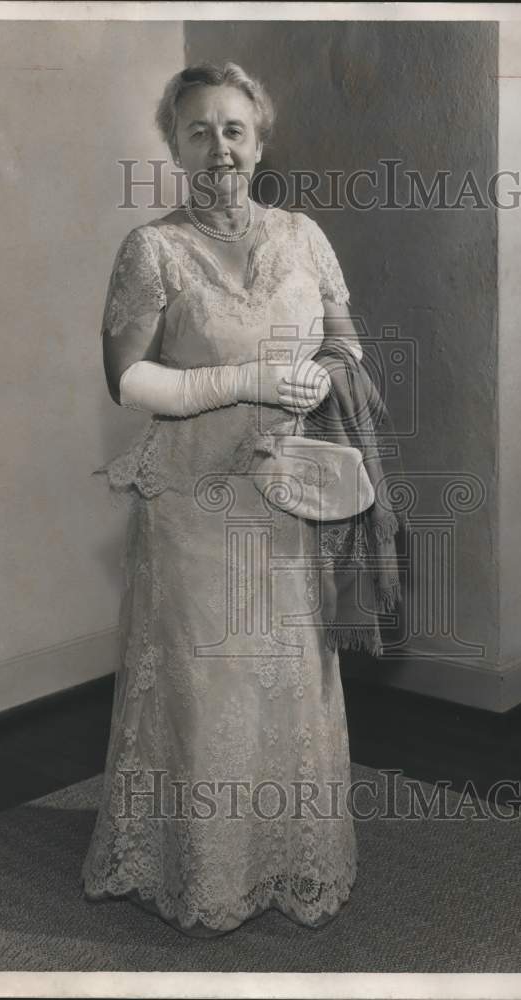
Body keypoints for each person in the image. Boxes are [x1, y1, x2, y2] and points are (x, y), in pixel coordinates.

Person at [80, 61, 364, 937]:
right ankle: (202, 873)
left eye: (233, 129)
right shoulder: (152, 249)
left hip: (291, 495)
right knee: (207, 685)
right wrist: (245, 378)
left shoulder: (306, 236)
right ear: (175, 144)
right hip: (194, 502)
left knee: (289, 682)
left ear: (260, 140)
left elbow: (348, 346)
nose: (218, 148)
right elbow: (126, 379)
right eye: (198, 130)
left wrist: (317, 382)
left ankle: (288, 860)